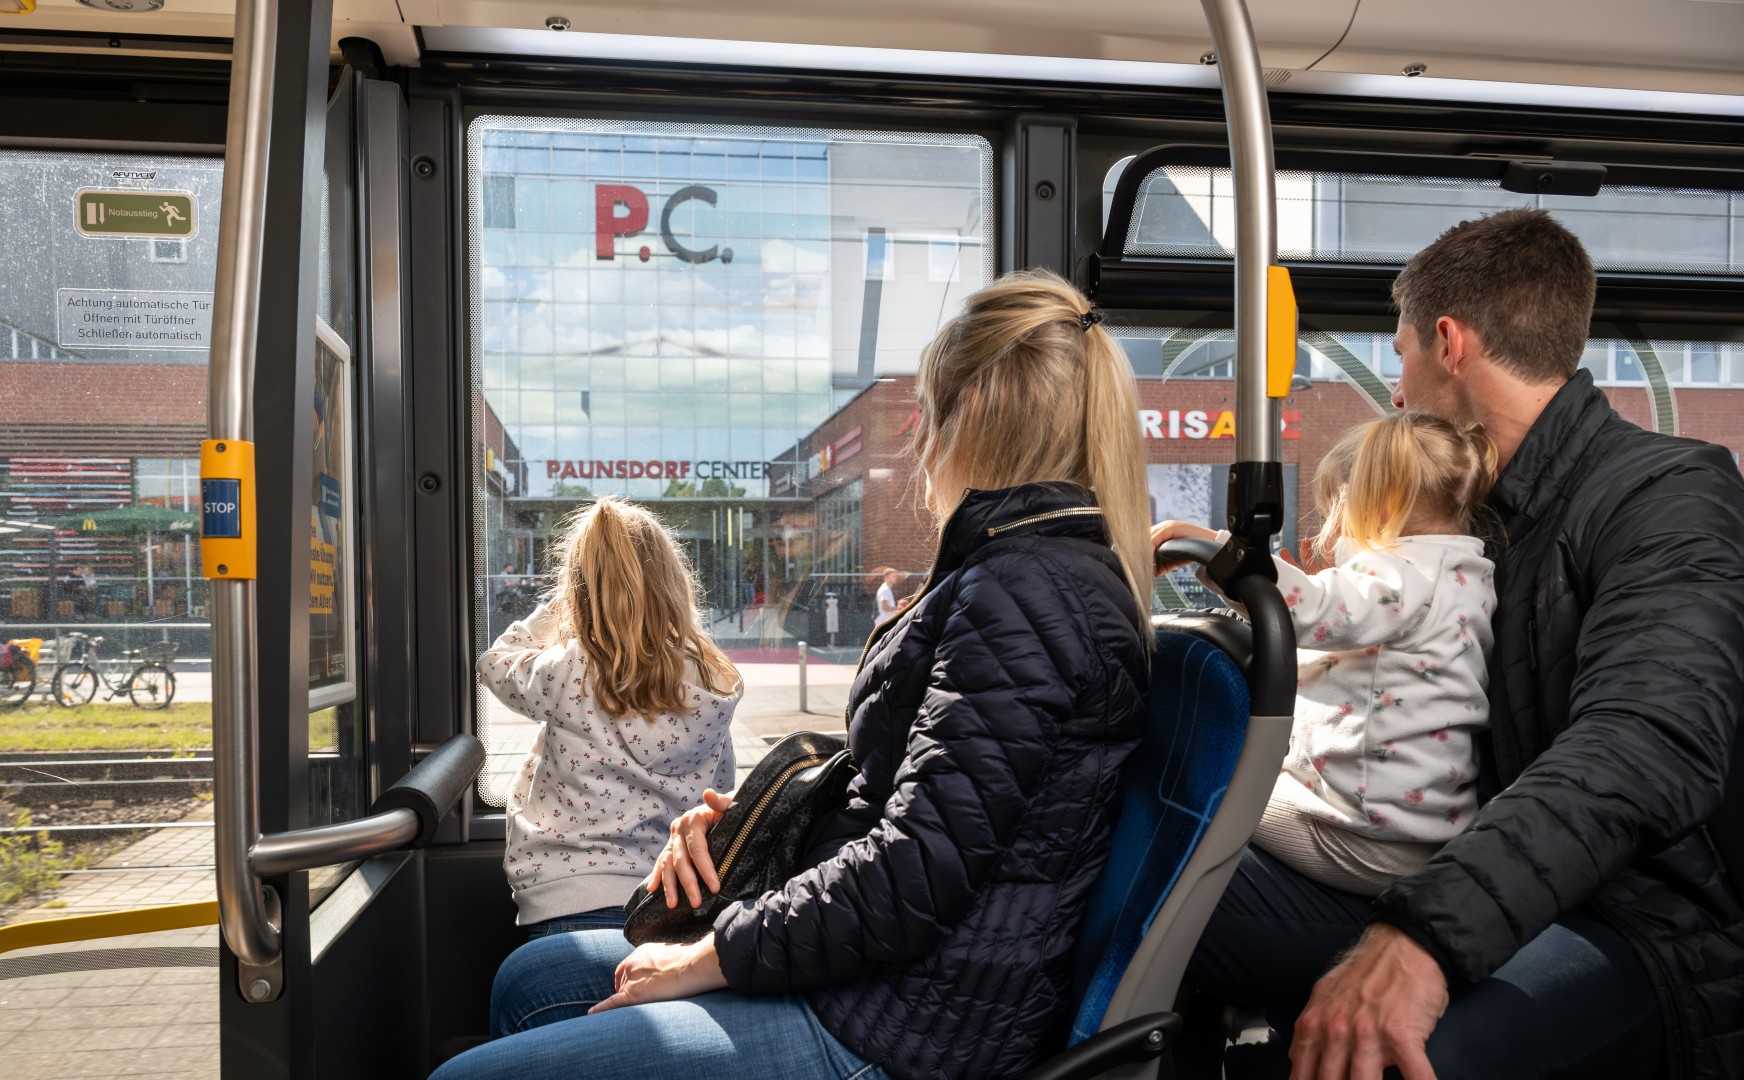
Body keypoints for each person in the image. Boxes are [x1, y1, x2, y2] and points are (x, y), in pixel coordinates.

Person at [430, 268, 1155, 1080]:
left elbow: (916, 869)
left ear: (974, 411)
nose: (919, 439)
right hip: (885, 976)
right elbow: (912, 795)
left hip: (904, 1024)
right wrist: (752, 823)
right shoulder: (1018, 576)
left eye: (928, 410)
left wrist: (712, 956)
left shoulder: (1024, 589)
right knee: (530, 978)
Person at [1179, 208, 1744, 1080]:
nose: (1395, 394)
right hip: (1446, 866)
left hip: (1630, 915)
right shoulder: (1456, 521)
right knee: (1116, 882)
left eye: (1399, 353)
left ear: (1448, 343)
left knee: (1407, 1058)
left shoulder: (1669, 493)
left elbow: (1644, 743)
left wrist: (1424, 936)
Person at [1154, 412, 1499, 897]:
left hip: (1362, 833)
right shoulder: (1461, 575)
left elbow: (1307, 609)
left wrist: (1212, 546)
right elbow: (1361, 661)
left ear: (1380, 507)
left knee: (1200, 786)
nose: (1330, 530)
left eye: (1336, 508)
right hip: (1415, 823)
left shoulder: (1402, 576)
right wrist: (1289, 601)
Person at [477, 498, 743, 939]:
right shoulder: (710, 679)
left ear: (578, 592)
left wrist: (557, 608)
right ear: (673, 584)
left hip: (567, 897)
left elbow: (495, 662)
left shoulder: (571, 668)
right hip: (668, 901)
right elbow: (720, 787)